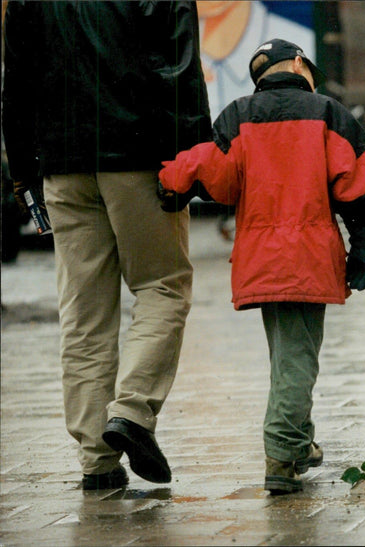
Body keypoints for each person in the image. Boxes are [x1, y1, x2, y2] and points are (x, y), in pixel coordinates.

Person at [158, 38, 365, 494]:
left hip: (259, 259)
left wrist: (173, 181)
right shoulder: (328, 113)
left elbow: (215, 175)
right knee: (299, 358)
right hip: (309, 256)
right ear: (299, 63)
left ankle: (300, 443)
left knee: (287, 353)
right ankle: (282, 454)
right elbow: (356, 186)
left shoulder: (238, 116)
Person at [2, 1, 212, 489]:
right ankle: (132, 412)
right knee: (162, 286)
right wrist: (192, 158)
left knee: (84, 311)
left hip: (63, 164)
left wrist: (24, 172)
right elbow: (180, 71)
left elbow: (18, 82)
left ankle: (96, 459)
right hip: (140, 158)